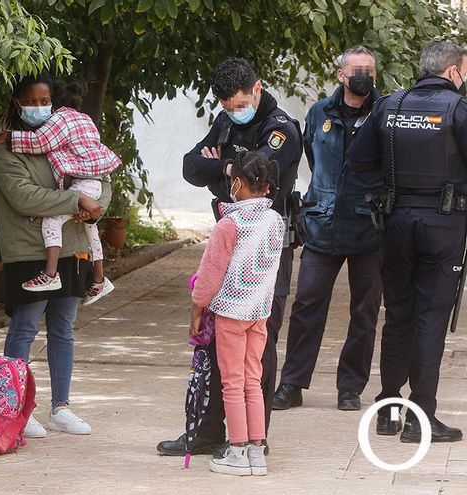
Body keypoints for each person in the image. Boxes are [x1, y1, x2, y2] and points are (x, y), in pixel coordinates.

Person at [158, 57, 302, 457]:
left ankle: (255, 438)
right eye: (227, 106)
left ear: (257, 89)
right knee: (216, 338)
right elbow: (191, 167)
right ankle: (207, 431)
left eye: (240, 104)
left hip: (266, 249)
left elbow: (255, 179)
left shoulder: (282, 130)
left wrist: (218, 169)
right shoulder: (226, 121)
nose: (235, 112)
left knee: (259, 345)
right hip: (230, 239)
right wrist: (227, 167)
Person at [347, 40, 467, 444]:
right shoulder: (458, 110)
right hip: (443, 224)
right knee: (430, 318)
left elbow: (358, 160)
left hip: (396, 221)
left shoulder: (389, 105)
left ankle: (388, 409)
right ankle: (421, 417)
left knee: (398, 314)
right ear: (452, 72)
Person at [0, 74, 110, 438]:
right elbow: (25, 197)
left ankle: (61, 407)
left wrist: (96, 207)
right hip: (28, 249)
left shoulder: (64, 136)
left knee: (63, 330)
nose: (39, 108)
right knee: (25, 328)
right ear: (16, 103)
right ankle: (16, 408)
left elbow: (100, 176)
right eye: (31, 101)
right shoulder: (6, 149)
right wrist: (76, 199)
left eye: (45, 102)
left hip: (72, 246)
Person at [273, 46, 385, 412]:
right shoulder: (319, 112)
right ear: (341, 75)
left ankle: (350, 388)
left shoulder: (385, 113)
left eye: (370, 70)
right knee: (306, 305)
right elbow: (313, 156)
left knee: (365, 312)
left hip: (369, 229)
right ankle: (292, 384)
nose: (365, 76)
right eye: (358, 70)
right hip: (323, 224)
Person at [191, 151, 285, 476]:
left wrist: (197, 307)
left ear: (239, 183)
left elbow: (209, 275)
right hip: (259, 313)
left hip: (231, 313)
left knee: (232, 383)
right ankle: (257, 452)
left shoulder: (229, 224)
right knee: (252, 380)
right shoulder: (275, 222)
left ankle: (236, 451)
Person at [10, 81, 120, 305]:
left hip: (83, 184)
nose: (41, 108)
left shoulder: (60, 118)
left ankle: (50, 274)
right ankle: (100, 279)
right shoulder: (85, 119)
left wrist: (10, 139)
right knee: (91, 230)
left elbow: (40, 142)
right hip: (96, 182)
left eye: (45, 102)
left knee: (51, 221)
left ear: (54, 104)